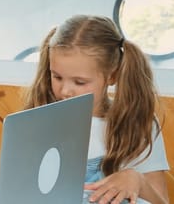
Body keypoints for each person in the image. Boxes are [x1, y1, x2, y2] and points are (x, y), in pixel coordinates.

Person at [24, 15, 169, 204]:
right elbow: (19, 187)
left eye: (80, 82)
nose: (65, 90)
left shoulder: (139, 124)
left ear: (112, 76)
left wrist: (138, 180)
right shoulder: (39, 118)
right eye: (57, 77)